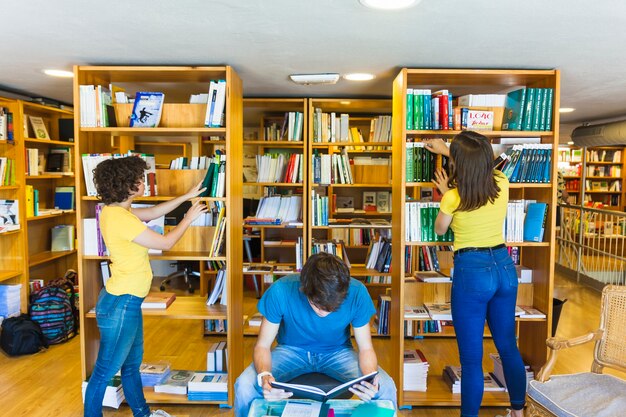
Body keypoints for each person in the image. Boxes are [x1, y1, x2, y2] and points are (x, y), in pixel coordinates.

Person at [83, 156, 208, 417]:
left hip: (126, 301)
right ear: (126, 184)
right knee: (104, 371)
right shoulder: (120, 218)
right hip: (121, 303)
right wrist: (188, 217)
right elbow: (165, 244)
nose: (143, 182)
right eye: (139, 179)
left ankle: (143, 414)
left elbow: (152, 212)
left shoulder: (114, 210)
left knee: (131, 366)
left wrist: (186, 196)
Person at [425, 132, 527, 417]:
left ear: (458, 163)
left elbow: (440, 230)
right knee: (508, 347)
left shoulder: (454, 197)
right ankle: (518, 412)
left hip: (472, 270)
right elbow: (486, 167)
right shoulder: (502, 182)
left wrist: (445, 192)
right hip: (505, 267)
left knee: (471, 360)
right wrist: (450, 151)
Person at [234, 252, 397, 417]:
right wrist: (264, 374)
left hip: (338, 352)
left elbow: (366, 348)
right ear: (304, 289)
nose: (324, 312)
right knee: (244, 385)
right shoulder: (281, 291)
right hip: (290, 351)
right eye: (318, 305)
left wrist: (369, 379)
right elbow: (262, 345)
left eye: (332, 307)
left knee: (386, 386)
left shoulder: (357, 293)